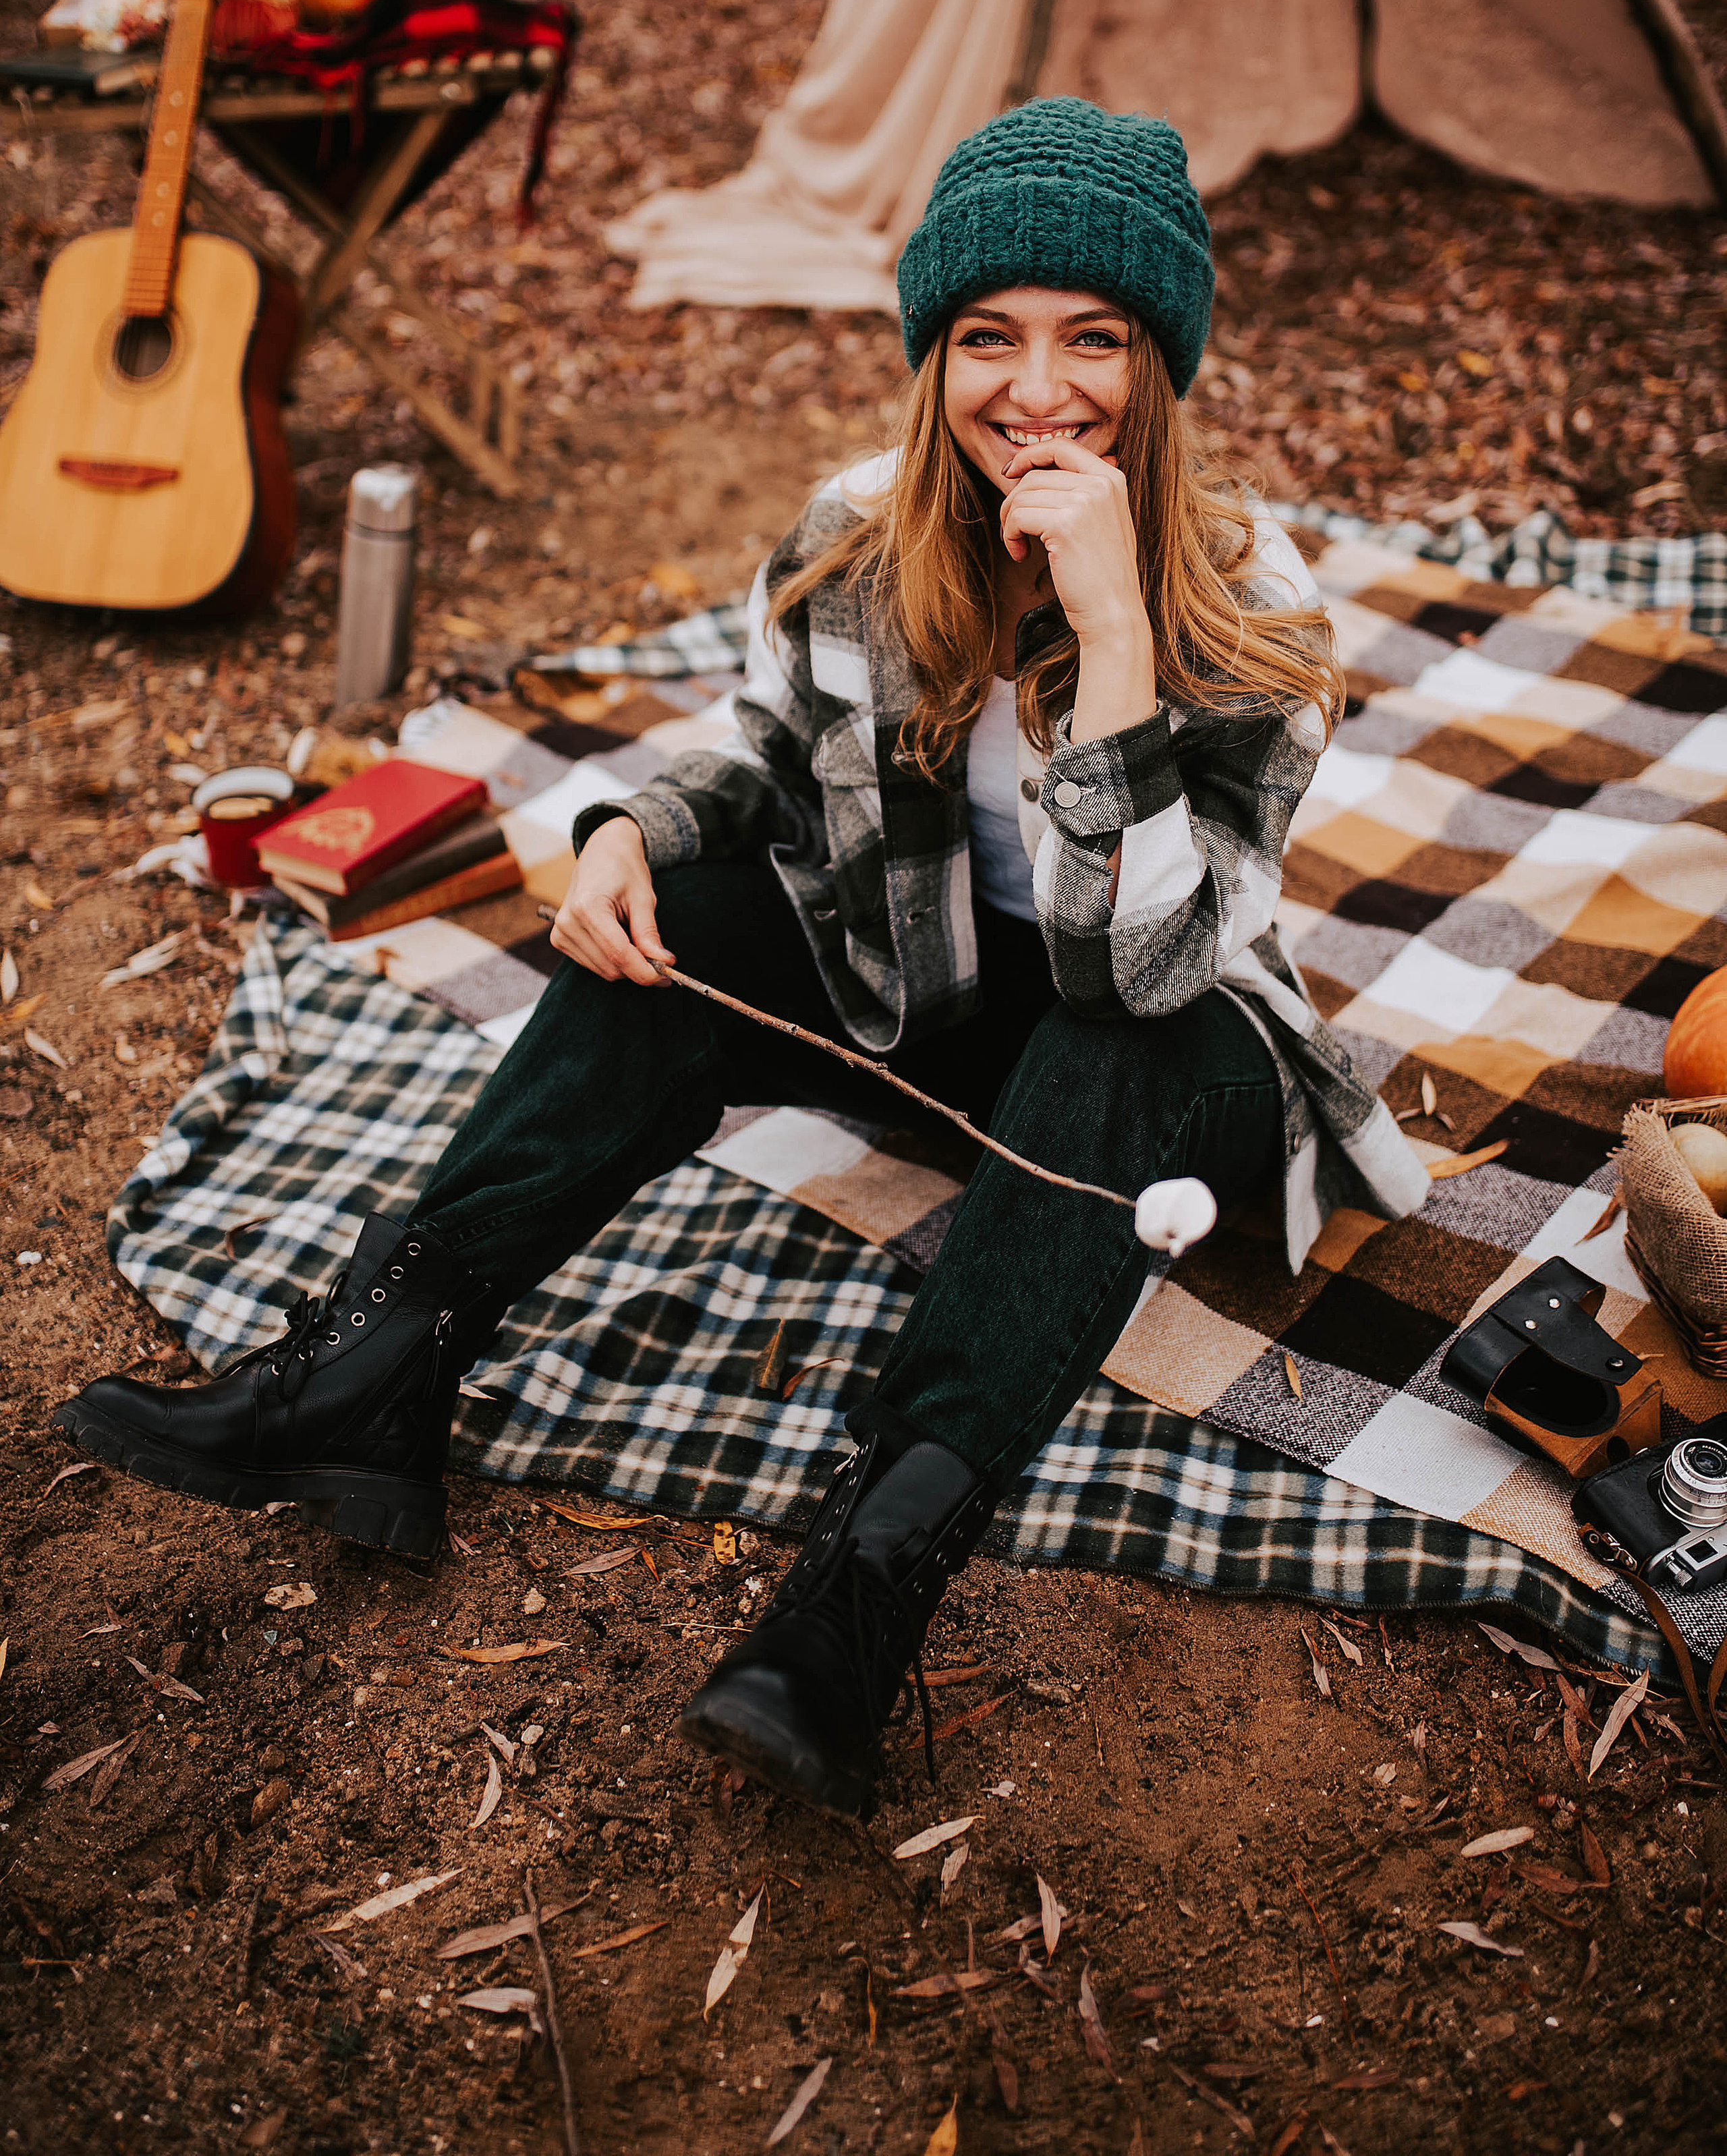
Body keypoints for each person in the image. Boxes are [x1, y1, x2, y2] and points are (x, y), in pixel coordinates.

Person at [57, 100, 1428, 1819]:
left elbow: (1136, 960)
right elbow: (768, 759)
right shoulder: (862, 532)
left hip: (1158, 1065)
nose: (1037, 386)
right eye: (986, 337)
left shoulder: (1252, 610)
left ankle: (860, 1594)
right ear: (930, 358)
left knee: (1122, 1039)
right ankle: (377, 1367)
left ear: (1162, 368)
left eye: (1096, 339)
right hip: (919, 1008)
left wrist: (1116, 634)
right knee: (691, 912)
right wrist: (641, 825)